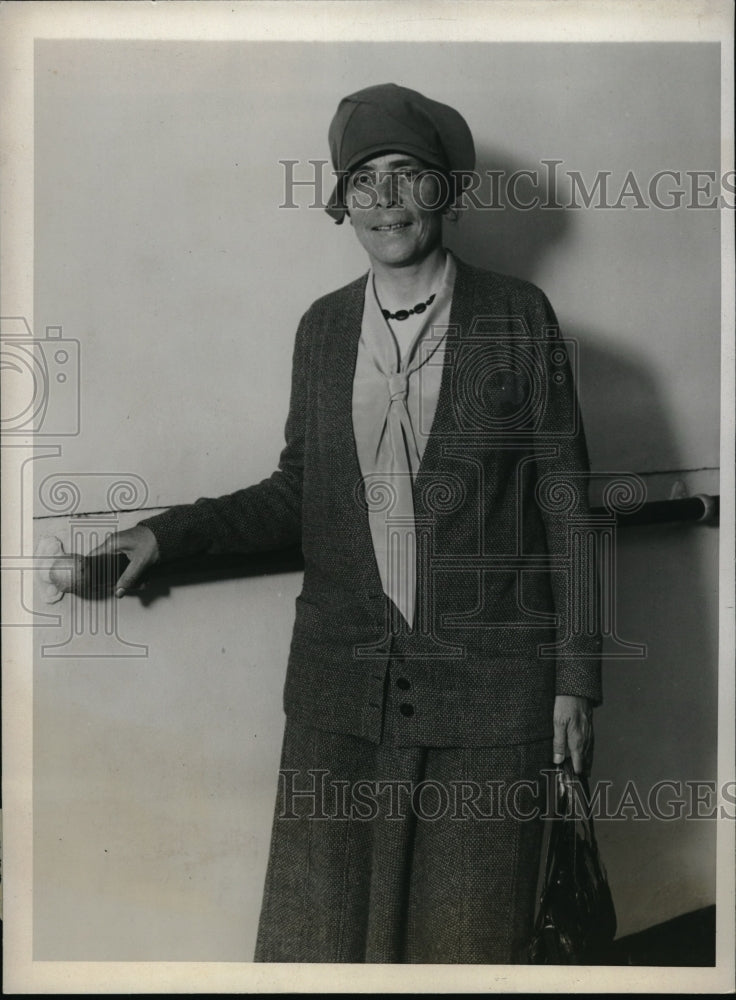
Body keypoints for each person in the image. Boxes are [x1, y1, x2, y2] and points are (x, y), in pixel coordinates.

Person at [92, 82, 601, 963]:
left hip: (490, 696)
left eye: (408, 175)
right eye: (365, 181)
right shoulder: (322, 329)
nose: (387, 200)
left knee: (466, 947)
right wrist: (166, 534)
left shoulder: (518, 316)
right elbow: (301, 490)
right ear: (342, 204)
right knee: (319, 946)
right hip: (342, 695)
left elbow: (567, 504)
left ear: (443, 189)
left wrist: (577, 680)